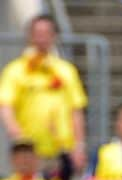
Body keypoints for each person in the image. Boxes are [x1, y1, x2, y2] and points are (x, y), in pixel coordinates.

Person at [0, 14, 87, 171]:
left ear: (54, 36)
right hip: (30, 150)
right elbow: (6, 106)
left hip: (62, 149)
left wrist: (78, 145)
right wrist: (18, 138)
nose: (42, 38)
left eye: (46, 33)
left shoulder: (66, 70)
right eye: (38, 33)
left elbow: (76, 109)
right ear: (29, 36)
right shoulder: (15, 70)